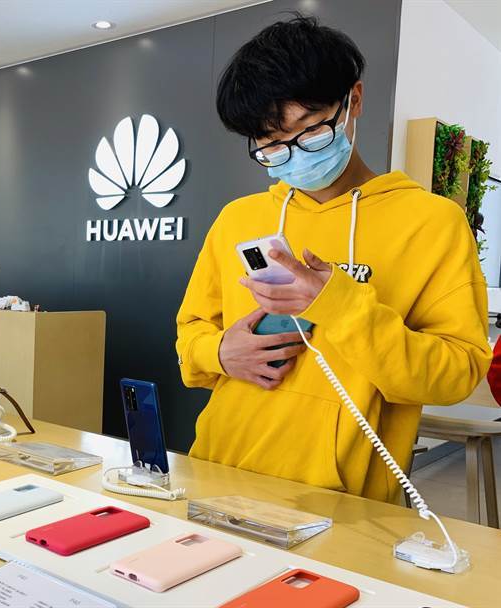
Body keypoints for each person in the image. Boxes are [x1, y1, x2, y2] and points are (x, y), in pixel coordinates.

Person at [175, 16, 491, 502]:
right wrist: (218, 353)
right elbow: (190, 332)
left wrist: (340, 305)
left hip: (344, 500)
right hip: (217, 474)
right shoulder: (238, 218)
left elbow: (457, 373)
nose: (294, 153)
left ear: (353, 101)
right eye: (271, 144)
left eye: (310, 131)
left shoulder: (432, 222)